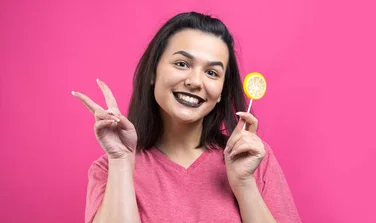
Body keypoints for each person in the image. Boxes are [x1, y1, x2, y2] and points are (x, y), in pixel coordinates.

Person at [72, 11, 301, 223]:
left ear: (221, 90)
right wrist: (121, 161)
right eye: (182, 64)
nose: (195, 81)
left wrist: (244, 184)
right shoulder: (109, 168)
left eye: (211, 72)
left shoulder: (253, 159)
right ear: (153, 72)